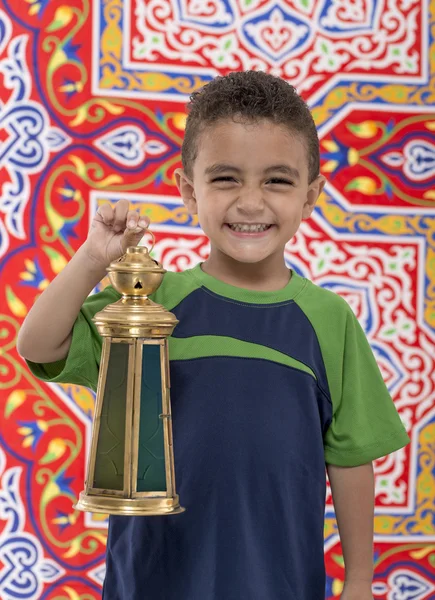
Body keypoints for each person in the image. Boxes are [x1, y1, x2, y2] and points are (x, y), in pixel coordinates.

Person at [17, 71, 410, 600]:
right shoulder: (148, 299)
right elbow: (38, 346)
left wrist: (359, 580)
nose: (251, 202)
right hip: (152, 581)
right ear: (188, 191)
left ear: (311, 195)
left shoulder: (329, 318)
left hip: (279, 582)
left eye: (277, 180)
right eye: (225, 178)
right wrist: (92, 260)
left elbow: (349, 456)